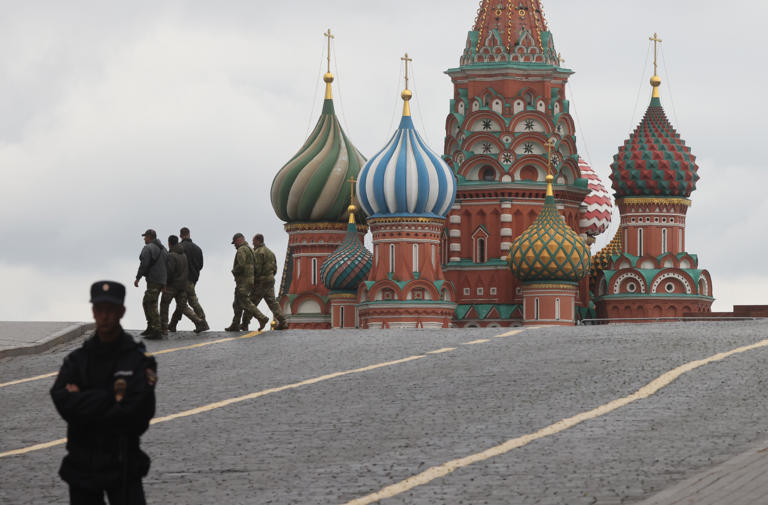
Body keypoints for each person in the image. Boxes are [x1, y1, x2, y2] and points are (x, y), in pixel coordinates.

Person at [51, 281, 157, 505]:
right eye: (100, 309)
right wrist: (112, 399)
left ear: (121, 312)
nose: (105, 316)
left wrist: (82, 399)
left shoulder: (138, 360)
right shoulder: (78, 359)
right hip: (82, 465)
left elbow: (137, 412)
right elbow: (60, 397)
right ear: (93, 312)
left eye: (110, 310)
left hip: (123, 463)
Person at [160, 235, 205, 335]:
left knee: (164, 304)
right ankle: (198, 321)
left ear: (169, 243)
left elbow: (170, 272)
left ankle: (163, 327)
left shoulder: (171, 255)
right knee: (183, 306)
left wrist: (165, 283)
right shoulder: (183, 255)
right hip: (183, 285)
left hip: (172, 285)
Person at [242, 234, 287, 331]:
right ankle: (283, 322)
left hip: (260, 282)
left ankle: (245, 323)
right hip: (270, 280)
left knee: (251, 301)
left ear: (258, 241)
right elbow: (275, 268)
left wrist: (252, 281)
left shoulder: (258, 252)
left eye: (253, 241)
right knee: (272, 303)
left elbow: (256, 269)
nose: (252, 243)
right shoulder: (270, 252)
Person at [170, 227, 209, 332]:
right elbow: (201, 265)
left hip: (182, 280)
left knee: (187, 302)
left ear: (180, 235)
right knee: (185, 301)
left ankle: (202, 322)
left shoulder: (179, 247)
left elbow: (175, 263)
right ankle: (173, 324)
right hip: (193, 278)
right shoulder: (198, 248)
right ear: (189, 234)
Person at [225, 233, 262, 332]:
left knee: (245, 302)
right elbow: (255, 266)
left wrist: (234, 271)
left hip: (243, 281)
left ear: (239, 240)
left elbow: (241, 265)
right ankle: (235, 324)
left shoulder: (242, 250)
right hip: (249, 280)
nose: (234, 246)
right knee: (237, 303)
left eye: (235, 243)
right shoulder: (250, 249)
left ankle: (261, 318)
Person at [134, 229, 167, 340]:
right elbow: (168, 265)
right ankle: (151, 327)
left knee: (150, 303)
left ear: (149, 237)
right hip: (161, 280)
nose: (144, 239)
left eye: (145, 237)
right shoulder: (164, 249)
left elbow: (144, 264)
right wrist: (164, 282)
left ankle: (156, 329)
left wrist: (138, 278)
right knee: (150, 302)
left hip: (153, 280)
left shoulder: (148, 248)